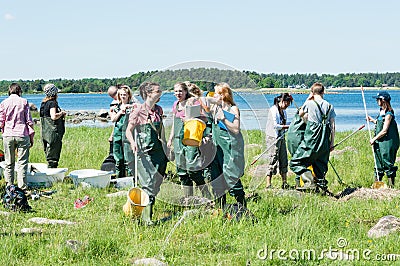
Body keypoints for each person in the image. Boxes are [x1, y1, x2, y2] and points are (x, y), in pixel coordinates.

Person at [126, 82, 168, 225]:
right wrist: (132, 143)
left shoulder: (159, 110)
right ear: (149, 93)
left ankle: (142, 212)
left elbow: (161, 131)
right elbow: (128, 130)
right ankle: (146, 220)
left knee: (157, 183)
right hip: (144, 153)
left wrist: (166, 146)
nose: (160, 92)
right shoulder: (138, 110)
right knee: (148, 185)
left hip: (160, 152)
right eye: (158, 91)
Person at [167, 82, 211, 199]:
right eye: (176, 91)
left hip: (191, 138)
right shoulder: (175, 104)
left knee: (193, 169)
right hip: (177, 139)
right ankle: (189, 198)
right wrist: (170, 139)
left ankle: (207, 195)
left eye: (180, 91)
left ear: (186, 91)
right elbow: (173, 123)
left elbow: (205, 118)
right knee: (181, 170)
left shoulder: (193, 102)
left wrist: (191, 118)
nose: (178, 93)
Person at [289, 82, 336, 192]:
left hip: (312, 138)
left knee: (295, 162)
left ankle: (309, 181)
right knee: (320, 165)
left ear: (312, 92)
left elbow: (300, 113)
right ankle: (322, 190)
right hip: (324, 139)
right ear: (323, 92)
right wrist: (332, 143)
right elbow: (333, 126)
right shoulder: (330, 106)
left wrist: (308, 99)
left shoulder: (310, 104)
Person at [209, 82, 246, 208]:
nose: (214, 96)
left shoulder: (233, 109)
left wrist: (223, 118)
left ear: (223, 95)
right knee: (216, 180)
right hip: (216, 149)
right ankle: (221, 209)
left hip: (230, 149)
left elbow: (236, 129)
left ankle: (242, 206)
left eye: (216, 93)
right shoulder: (214, 109)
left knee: (232, 178)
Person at [0, 83, 35, 192]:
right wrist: (31, 137)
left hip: (8, 135)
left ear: (9, 91)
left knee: (9, 163)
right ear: (19, 91)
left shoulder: (4, 103)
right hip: (22, 134)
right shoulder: (24, 102)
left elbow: (1, 121)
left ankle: (9, 187)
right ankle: (22, 188)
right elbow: (29, 121)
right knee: (22, 163)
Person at [367, 91, 399, 188]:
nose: (377, 101)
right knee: (378, 164)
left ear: (383, 100)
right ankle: (377, 186)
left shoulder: (389, 113)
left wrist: (374, 139)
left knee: (388, 164)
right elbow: (381, 123)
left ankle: (391, 187)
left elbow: (385, 130)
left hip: (388, 142)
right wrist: (372, 120)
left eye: (378, 99)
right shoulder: (381, 111)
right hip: (379, 142)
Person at [265, 93, 293, 189]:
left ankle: (284, 183)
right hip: (273, 137)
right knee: (272, 159)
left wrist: (294, 123)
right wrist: (287, 126)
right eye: (286, 104)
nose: (286, 107)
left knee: (283, 159)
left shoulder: (283, 111)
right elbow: (276, 125)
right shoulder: (273, 110)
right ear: (281, 101)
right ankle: (268, 184)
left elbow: (285, 123)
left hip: (281, 137)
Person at [110, 85, 136, 178]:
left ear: (129, 95)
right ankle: (119, 178)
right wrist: (120, 112)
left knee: (128, 158)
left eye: (124, 94)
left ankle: (130, 179)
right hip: (118, 134)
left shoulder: (133, 106)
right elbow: (113, 119)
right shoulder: (116, 107)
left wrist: (131, 108)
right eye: (121, 94)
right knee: (118, 157)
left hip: (129, 135)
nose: (123, 96)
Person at [40, 83, 66, 168]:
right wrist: (61, 113)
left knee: (48, 151)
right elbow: (53, 116)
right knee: (53, 153)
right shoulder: (52, 103)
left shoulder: (43, 103)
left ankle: (50, 169)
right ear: (54, 93)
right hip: (53, 132)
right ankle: (52, 172)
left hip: (45, 132)